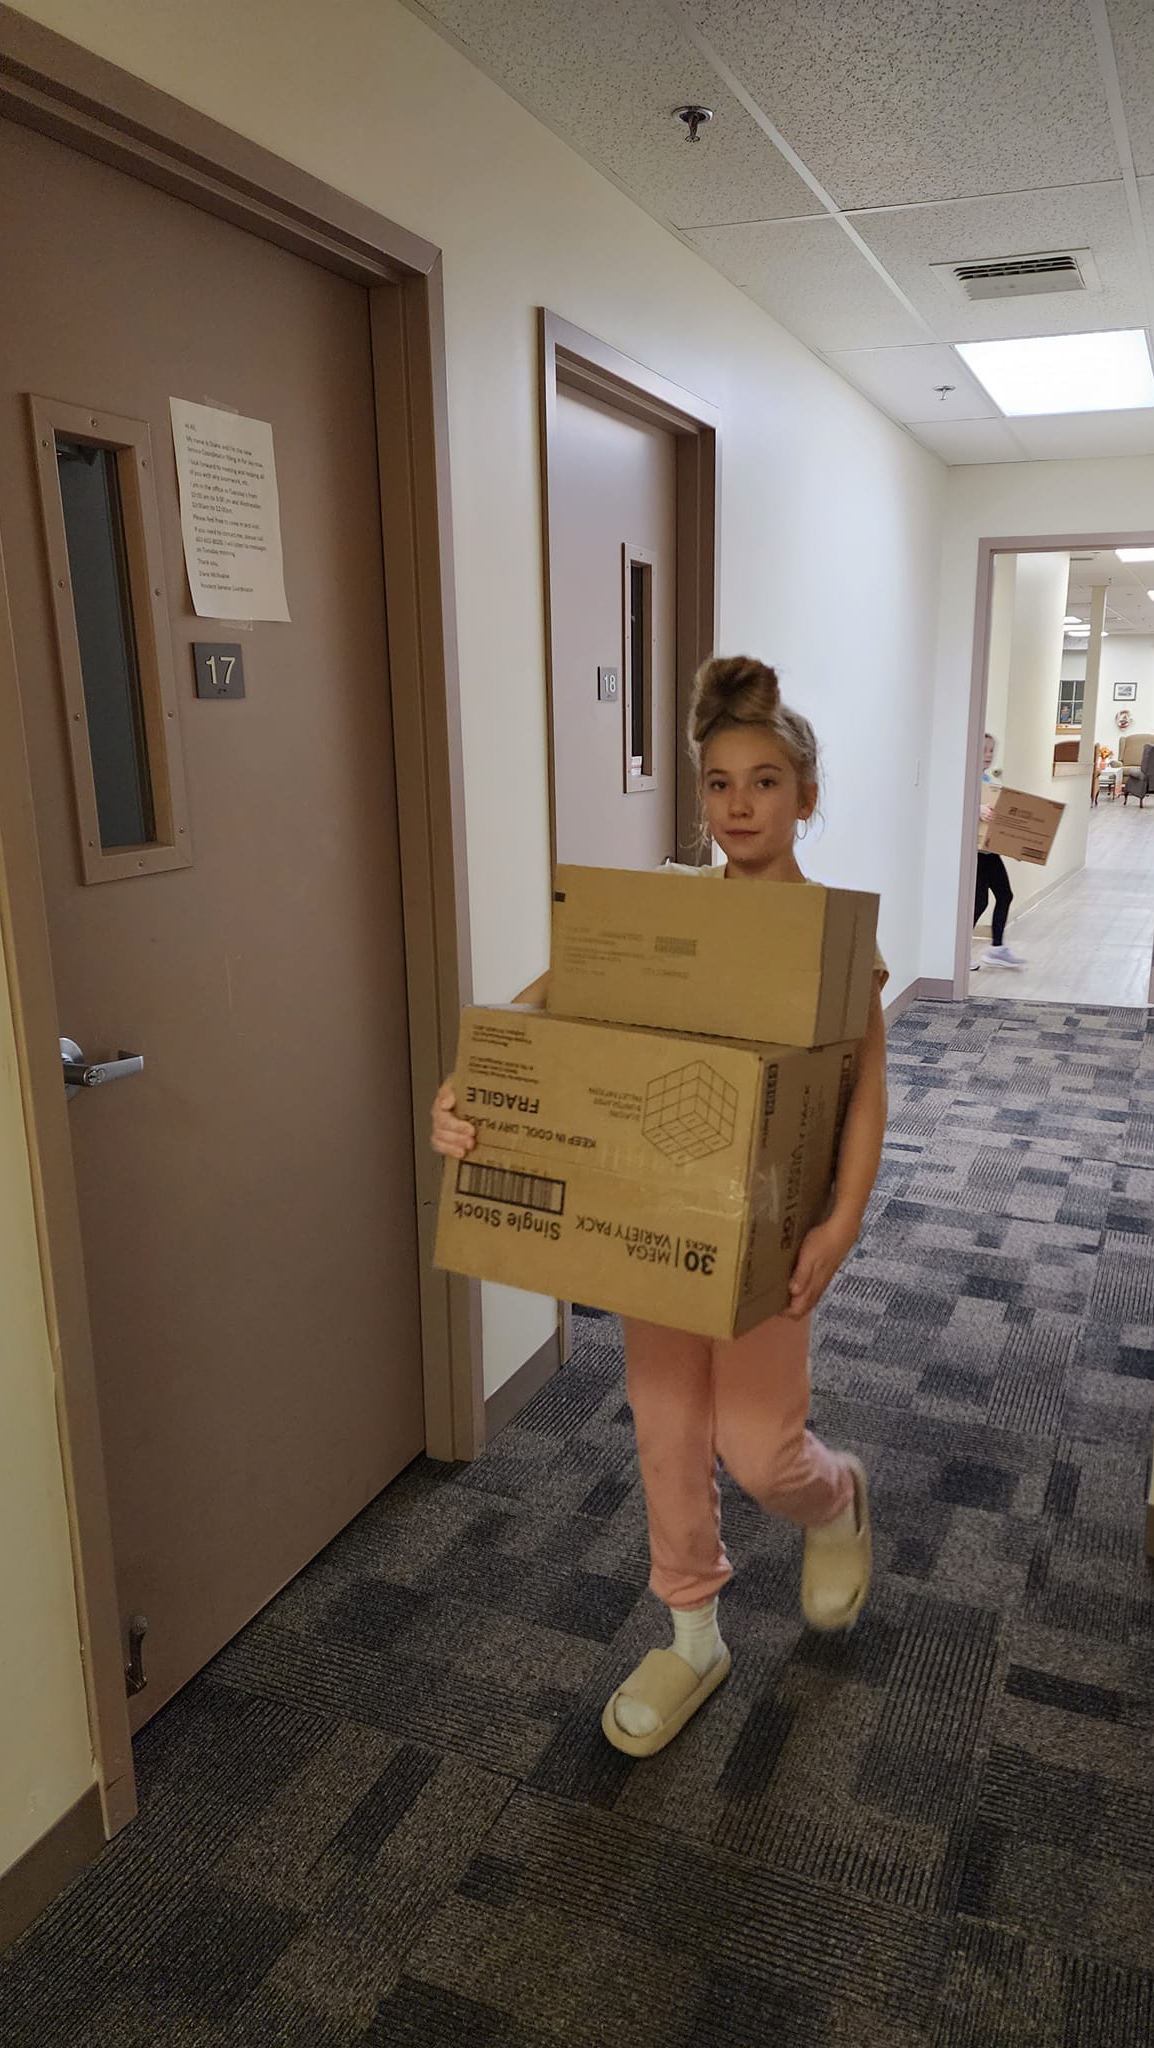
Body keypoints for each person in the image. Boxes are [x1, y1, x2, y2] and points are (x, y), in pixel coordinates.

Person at [430, 657, 888, 1759]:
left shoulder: (832, 936)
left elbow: (868, 1092)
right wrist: (474, 1088)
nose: (740, 805)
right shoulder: (668, 909)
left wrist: (841, 1222)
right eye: (720, 783)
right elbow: (548, 1012)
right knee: (669, 1428)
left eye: (765, 782)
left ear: (806, 795)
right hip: (665, 1219)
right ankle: (692, 1634)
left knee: (760, 1451)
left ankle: (835, 1499)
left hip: (773, 1231)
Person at [974, 731, 1022, 970]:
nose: (988, 755)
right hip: (974, 854)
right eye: (984, 750)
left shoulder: (987, 781)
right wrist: (977, 809)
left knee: (1005, 895)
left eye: (991, 750)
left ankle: (997, 949)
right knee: (979, 902)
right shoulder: (965, 779)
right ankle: (958, 952)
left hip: (989, 851)